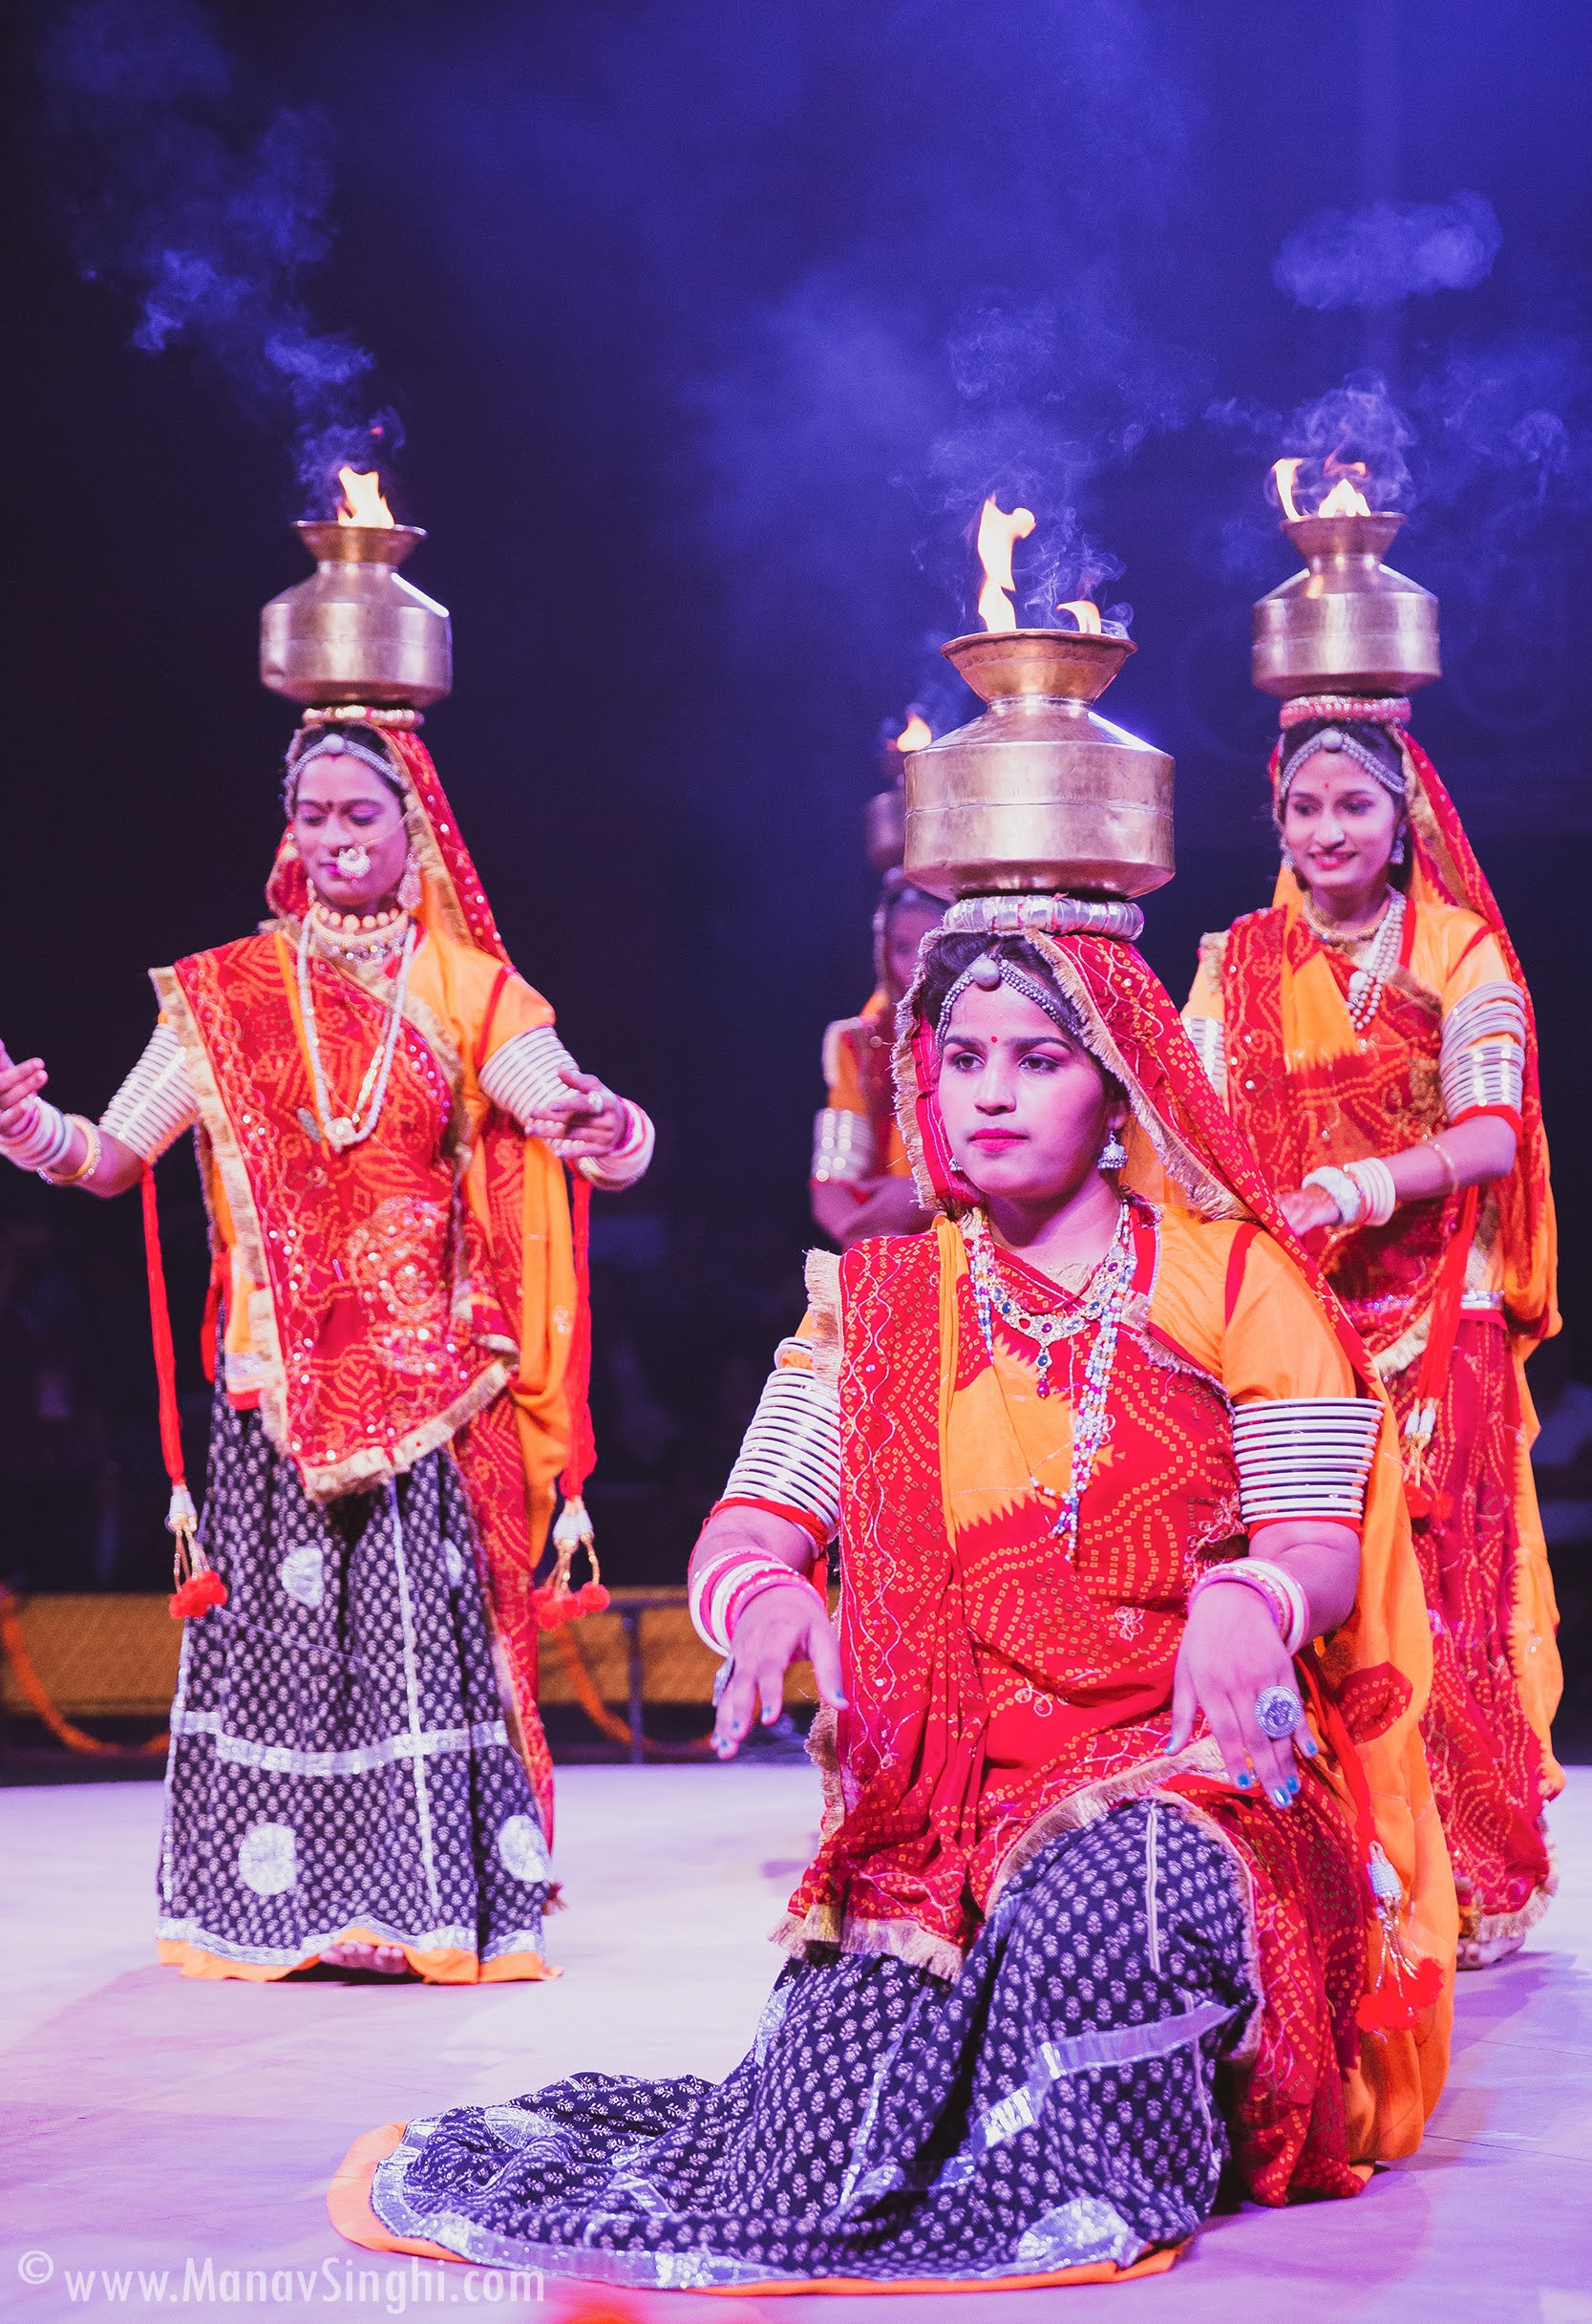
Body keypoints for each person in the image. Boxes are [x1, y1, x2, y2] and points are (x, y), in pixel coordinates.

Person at [329, 918, 1452, 2291]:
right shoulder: (870, 1301)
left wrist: (1251, 1595)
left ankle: (1132, 2136)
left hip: (1189, 1775)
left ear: (1114, 1091)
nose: (986, 1091)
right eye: (961, 1058)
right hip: (936, 1806)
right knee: (804, 2162)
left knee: (1106, 1918)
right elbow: (753, 1518)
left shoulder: (1236, 1280)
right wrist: (759, 1604)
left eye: (1035, 1060)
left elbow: (1317, 1542)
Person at [0, 710, 653, 1982]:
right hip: (277, 1386)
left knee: (418, 1653)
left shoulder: (471, 991)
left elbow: (575, 1119)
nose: (339, 837)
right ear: (287, 833)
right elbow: (109, 1157)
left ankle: (423, 1919)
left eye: (363, 814)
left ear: (415, 834)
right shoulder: (223, 997)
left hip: (428, 1390)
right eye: (316, 815)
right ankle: (271, 1914)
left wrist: (607, 1125)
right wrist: (26, 1132)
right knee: (286, 1652)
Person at [1182, 698, 1560, 1966]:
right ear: (1275, 823)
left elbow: (1490, 1134)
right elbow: (1188, 1123)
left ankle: (1470, 1871)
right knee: (1294, 1577)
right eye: (1302, 807)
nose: (1326, 828)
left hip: (1429, 1309)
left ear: (1400, 823)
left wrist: (1351, 1186)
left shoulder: (1456, 952)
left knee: (1443, 1591)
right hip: (1287, 1313)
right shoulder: (1231, 961)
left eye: (1352, 805)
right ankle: (1330, 1857)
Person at [810, 869, 945, 1247]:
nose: (916, 965)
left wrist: (923, 1198)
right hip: (883, 1241)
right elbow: (833, 1178)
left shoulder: (984, 1031)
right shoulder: (858, 1042)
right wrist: (872, 1248)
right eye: (902, 949)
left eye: (930, 945)